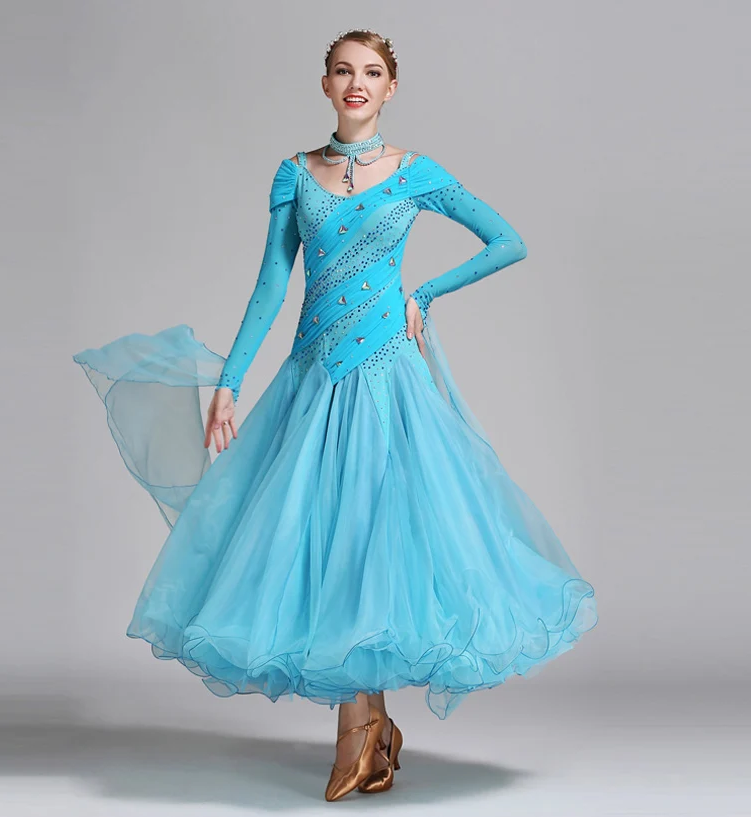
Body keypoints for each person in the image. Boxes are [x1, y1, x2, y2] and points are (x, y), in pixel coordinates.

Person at [73, 28, 598, 802]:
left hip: (386, 382)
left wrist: (425, 294)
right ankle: (369, 726)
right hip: (313, 381)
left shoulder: (416, 174)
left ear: (391, 88)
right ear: (325, 85)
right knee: (325, 541)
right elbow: (270, 284)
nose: (357, 82)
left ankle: (362, 731)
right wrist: (229, 381)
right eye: (344, 71)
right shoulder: (295, 173)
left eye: (372, 72)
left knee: (373, 539)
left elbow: (506, 240)